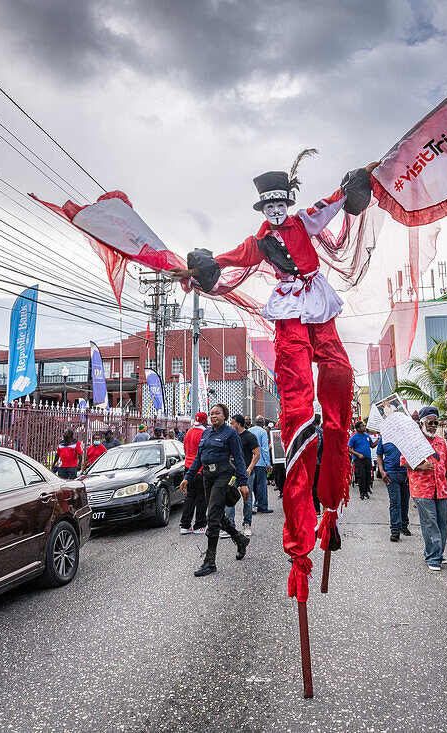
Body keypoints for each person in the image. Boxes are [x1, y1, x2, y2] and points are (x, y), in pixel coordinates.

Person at [171, 159, 374, 600]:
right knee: (296, 397)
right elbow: (229, 258)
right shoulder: (260, 241)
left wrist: (353, 185)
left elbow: (336, 203)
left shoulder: (305, 220)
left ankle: (332, 494)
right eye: (269, 205)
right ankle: (300, 536)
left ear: (289, 201)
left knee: (337, 372)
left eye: (281, 202)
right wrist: (200, 267)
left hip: (317, 299)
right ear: (262, 208)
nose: (277, 210)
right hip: (288, 311)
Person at [180, 404, 250, 577]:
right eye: (211, 414)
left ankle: (210, 561)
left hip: (223, 475)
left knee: (212, 516)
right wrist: (187, 477)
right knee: (217, 514)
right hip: (206, 476)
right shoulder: (206, 433)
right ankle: (240, 539)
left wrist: (243, 482)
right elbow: (198, 458)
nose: (213, 416)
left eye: (217, 413)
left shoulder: (231, 433)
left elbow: (239, 459)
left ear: (225, 416)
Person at [403, 406, 447, 571]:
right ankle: (433, 558)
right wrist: (420, 466)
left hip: (441, 489)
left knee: (442, 523)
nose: (433, 426)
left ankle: (438, 553)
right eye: (430, 422)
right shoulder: (414, 440)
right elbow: (403, 461)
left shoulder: (441, 441)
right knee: (430, 523)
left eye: (435, 422)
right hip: (422, 490)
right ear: (422, 423)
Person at [225, 414, 261, 537]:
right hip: (231, 473)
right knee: (229, 497)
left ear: (238, 424)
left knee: (247, 498)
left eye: (232, 423)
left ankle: (247, 524)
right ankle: (230, 525)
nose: (230, 425)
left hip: (246, 473)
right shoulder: (230, 436)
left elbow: (256, 454)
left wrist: (249, 468)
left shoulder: (250, 437)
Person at [377, 433, 411, 542]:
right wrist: (382, 471)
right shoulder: (384, 439)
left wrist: (410, 473)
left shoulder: (407, 438)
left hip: (405, 474)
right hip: (391, 474)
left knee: (405, 501)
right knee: (395, 501)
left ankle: (404, 525)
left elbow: (412, 455)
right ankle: (395, 530)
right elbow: (379, 456)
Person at [180, 412, 209, 535]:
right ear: (205, 421)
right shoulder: (205, 433)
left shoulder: (188, 432)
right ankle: (200, 525)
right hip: (199, 468)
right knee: (201, 497)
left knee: (189, 497)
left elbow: (186, 450)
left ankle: (185, 525)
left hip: (188, 468)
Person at [248, 416, 273, 513]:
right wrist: (268, 463)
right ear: (263, 423)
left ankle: (250, 507)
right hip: (260, 462)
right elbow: (265, 449)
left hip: (250, 462)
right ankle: (262, 506)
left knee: (250, 485)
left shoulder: (249, 431)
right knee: (261, 485)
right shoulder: (263, 432)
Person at [348, 422, 376, 500]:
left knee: (368, 476)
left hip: (367, 459)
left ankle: (366, 491)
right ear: (358, 429)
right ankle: (362, 493)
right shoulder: (354, 437)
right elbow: (349, 448)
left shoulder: (367, 436)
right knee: (361, 476)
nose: (364, 427)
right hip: (358, 459)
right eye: (363, 426)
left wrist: (378, 439)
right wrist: (357, 454)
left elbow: (372, 445)